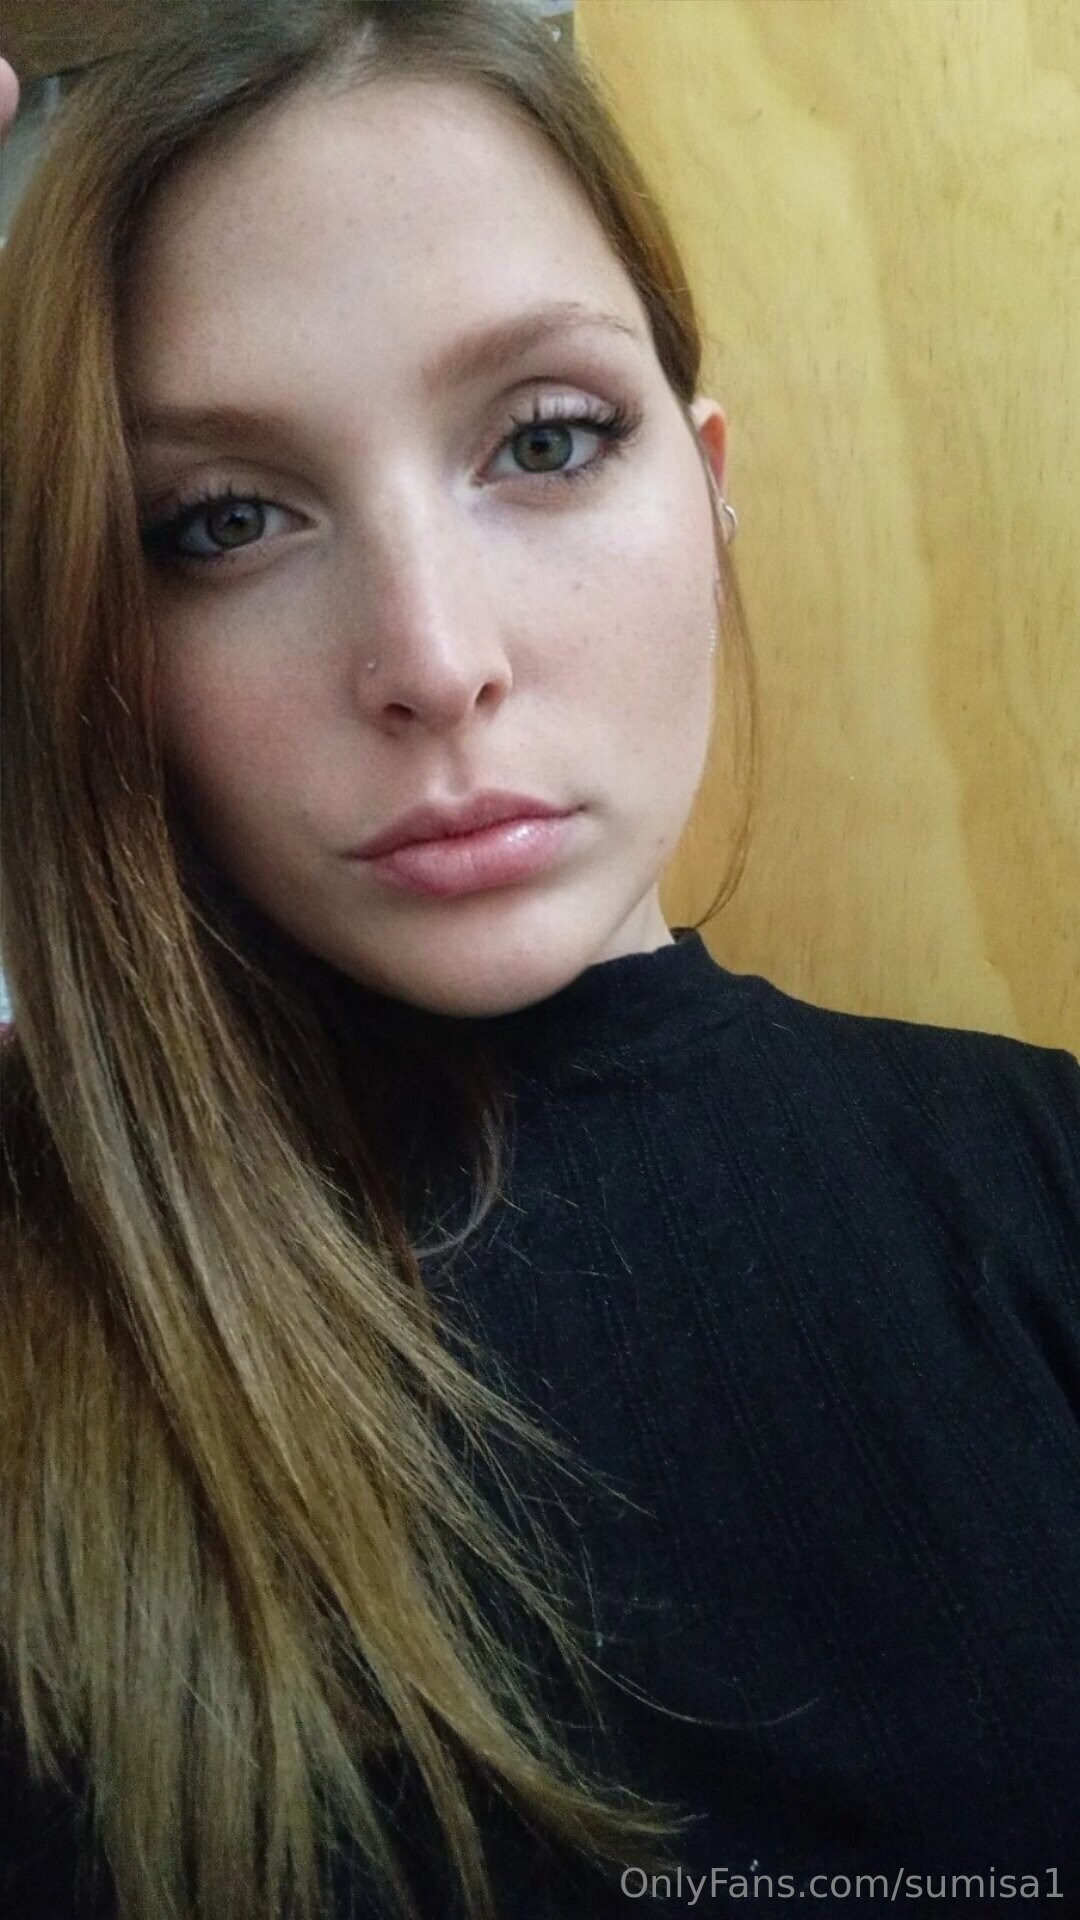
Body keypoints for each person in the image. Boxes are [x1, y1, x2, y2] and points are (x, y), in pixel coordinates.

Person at [1, 4, 1077, 1919]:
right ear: (100, 620)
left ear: (709, 482)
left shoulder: (1041, 1175)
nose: (434, 657)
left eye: (549, 440)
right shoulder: (44, 1272)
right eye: (223, 522)